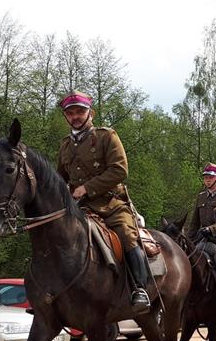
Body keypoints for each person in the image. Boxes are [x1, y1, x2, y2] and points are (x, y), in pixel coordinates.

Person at [56, 91, 150, 313]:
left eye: (80, 111)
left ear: (91, 113)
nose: (75, 116)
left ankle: (140, 288)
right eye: (70, 113)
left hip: (111, 204)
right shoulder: (65, 145)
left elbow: (120, 170)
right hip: (79, 207)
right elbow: (60, 178)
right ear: (66, 116)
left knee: (127, 236)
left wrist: (87, 188)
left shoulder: (107, 136)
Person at [186, 163, 216, 289]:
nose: (207, 180)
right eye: (205, 177)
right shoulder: (201, 197)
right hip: (202, 238)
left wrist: (211, 229)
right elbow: (194, 223)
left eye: (211, 177)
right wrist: (188, 241)